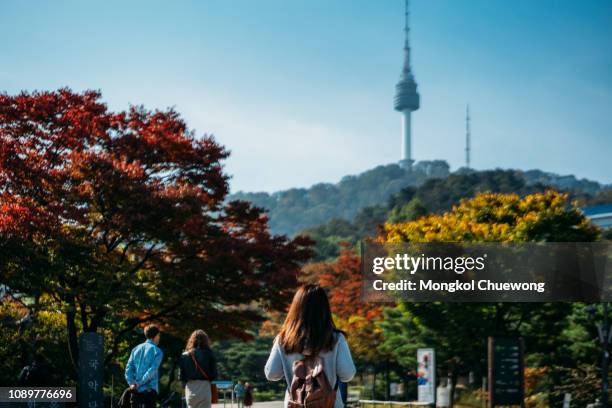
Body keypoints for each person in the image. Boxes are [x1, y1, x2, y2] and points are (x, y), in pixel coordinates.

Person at [264, 284, 356, 408]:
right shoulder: (336, 338)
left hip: (295, 404)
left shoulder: (283, 339)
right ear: (324, 309)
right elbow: (347, 374)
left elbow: (272, 374)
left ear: (295, 308)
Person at [125, 324, 164, 408]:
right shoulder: (157, 351)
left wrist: (132, 383)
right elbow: (152, 371)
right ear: (155, 336)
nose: (159, 338)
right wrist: (139, 383)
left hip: (135, 390)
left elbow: (128, 368)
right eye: (158, 335)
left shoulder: (135, 349)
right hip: (149, 390)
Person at [179, 330, 217, 408]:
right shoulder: (209, 354)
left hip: (190, 388)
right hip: (204, 388)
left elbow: (181, 376)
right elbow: (214, 374)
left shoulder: (184, 355)